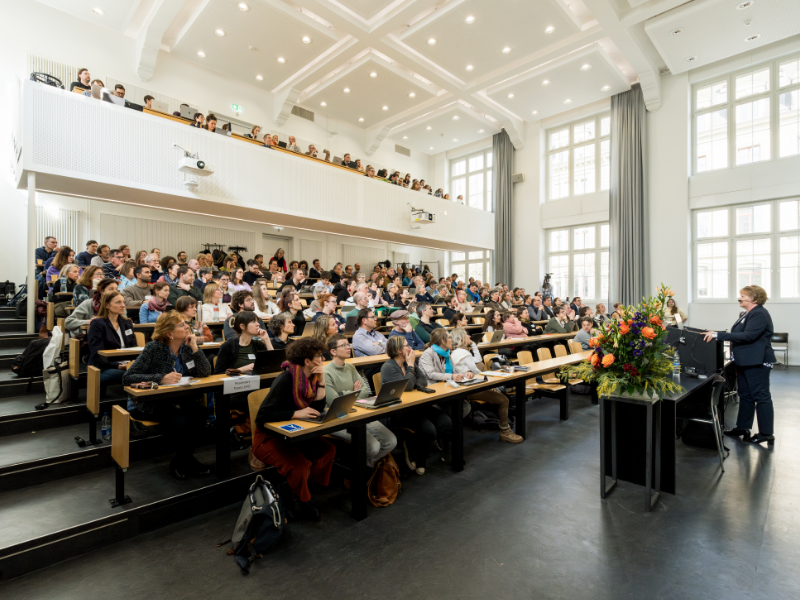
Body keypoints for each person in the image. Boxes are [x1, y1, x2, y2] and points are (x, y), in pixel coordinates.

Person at [122, 312, 212, 479]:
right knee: (181, 420)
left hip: (175, 399)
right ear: (169, 333)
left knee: (200, 412)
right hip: (148, 403)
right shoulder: (154, 348)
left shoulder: (186, 347)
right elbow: (128, 378)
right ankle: (185, 462)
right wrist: (160, 378)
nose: (187, 326)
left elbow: (206, 372)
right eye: (181, 325)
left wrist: (195, 348)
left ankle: (181, 460)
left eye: (186, 323)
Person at [253, 337, 335, 520]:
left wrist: (321, 380)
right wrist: (295, 414)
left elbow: (318, 409)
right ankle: (301, 499)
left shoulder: (312, 378)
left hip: (296, 433)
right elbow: (262, 417)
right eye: (319, 356)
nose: (323, 359)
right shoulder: (286, 379)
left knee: (328, 450)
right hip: (269, 437)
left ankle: (299, 487)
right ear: (307, 361)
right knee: (299, 466)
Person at [703, 285, 775, 445]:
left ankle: (766, 433)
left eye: (743, 295)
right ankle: (742, 427)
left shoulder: (759, 313)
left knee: (761, 397)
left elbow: (748, 336)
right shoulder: (748, 314)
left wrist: (717, 334)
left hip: (757, 362)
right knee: (746, 395)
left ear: (755, 299)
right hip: (746, 361)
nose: (739, 297)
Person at [322, 333, 396, 467]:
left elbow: (365, 391)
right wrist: (354, 392)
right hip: (336, 418)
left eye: (348, 344)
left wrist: (345, 394)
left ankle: (368, 466)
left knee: (391, 441)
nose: (348, 347)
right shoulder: (325, 372)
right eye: (343, 345)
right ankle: (357, 474)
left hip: (357, 412)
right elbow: (334, 401)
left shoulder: (350, 367)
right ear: (333, 351)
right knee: (372, 446)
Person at [380, 336, 447, 475]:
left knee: (445, 422)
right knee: (429, 429)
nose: (410, 348)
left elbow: (423, 381)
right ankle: (419, 457)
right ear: (399, 350)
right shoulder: (389, 367)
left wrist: (411, 375)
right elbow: (409, 386)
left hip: (416, 405)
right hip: (399, 411)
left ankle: (418, 445)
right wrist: (411, 370)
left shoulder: (409, 363)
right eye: (407, 346)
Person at [449, 328, 522, 443]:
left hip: (465, 387)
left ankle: (503, 427)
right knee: (503, 400)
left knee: (498, 394)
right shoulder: (463, 353)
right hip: (469, 388)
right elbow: (477, 370)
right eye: (467, 336)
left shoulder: (456, 352)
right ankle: (505, 432)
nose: (470, 337)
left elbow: (477, 360)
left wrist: (473, 345)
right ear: (462, 338)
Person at [214, 310, 274, 404]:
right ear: (242, 326)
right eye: (253, 322)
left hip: (256, 386)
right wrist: (241, 370)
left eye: (257, 321)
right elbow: (217, 374)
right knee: (263, 398)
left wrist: (266, 340)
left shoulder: (258, 345)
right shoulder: (228, 346)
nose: (258, 324)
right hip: (237, 390)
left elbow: (273, 364)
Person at [87, 291, 137, 386]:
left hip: (127, 364)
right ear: (106, 305)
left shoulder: (127, 323)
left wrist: (134, 362)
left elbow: (134, 346)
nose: (123, 305)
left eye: (123, 302)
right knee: (132, 375)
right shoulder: (97, 324)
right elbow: (97, 355)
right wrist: (119, 366)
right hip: (104, 367)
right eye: (118, 302)